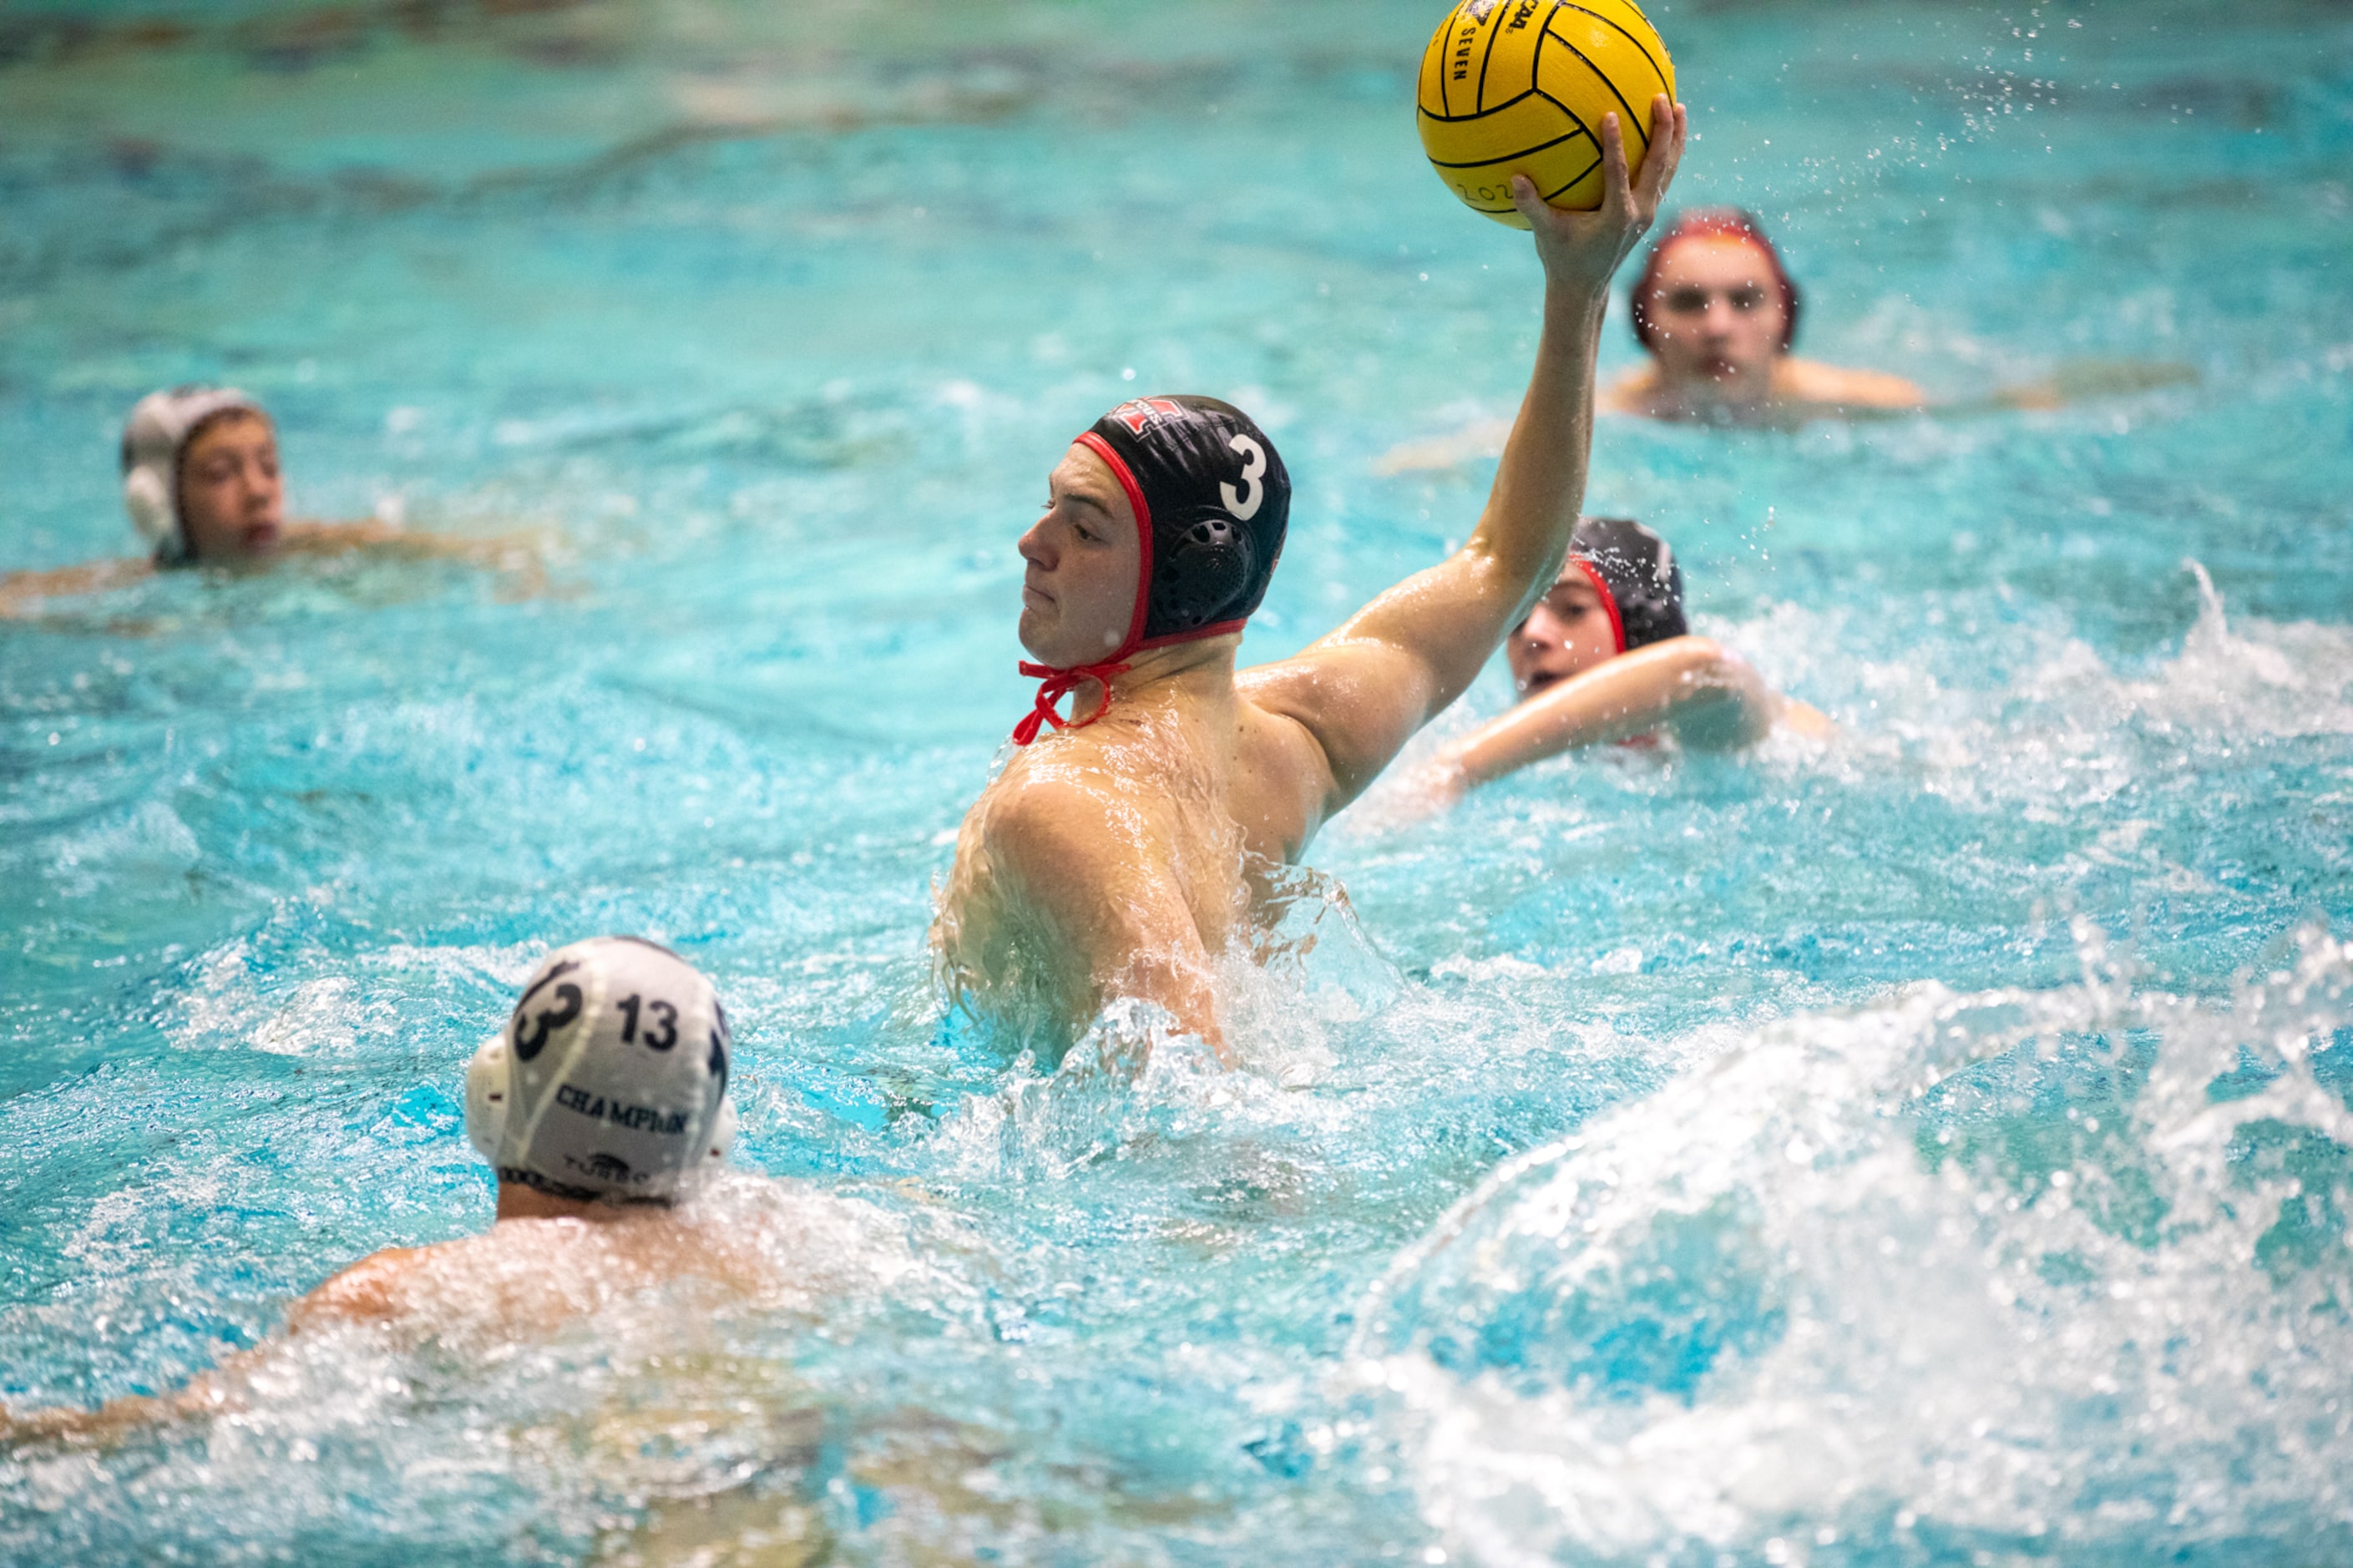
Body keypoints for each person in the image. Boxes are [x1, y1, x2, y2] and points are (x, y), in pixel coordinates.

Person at [934, 97, 1688, 1066]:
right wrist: (1576, 291)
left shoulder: (1068, 802)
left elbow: (1190, 1098)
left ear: (1181, 579)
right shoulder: (1298, 742)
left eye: (1083, 529)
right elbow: (1509, 562)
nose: (1031, 545)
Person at [0, 937, 757, 1446]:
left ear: (494, 1091)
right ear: (711, 1140)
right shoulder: (780, 1244)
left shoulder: (393, 1297)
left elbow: (195, 1429)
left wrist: (28, 1433)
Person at [0, 385, 541, 619]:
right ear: (157, 505)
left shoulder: (324, 547)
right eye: (220, 474)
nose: (259, 491)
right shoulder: (130, 592)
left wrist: (521, 571)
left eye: (269, 466)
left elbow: (487, 550)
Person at [1416, 514, 1829, 804]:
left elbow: (1706, 670)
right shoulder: (1543, 761)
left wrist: (1459, 769)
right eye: (1518, 618)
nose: (1533, 636)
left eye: (1572, 610)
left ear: (1640, 630)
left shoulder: (1702, 733)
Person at [1602, 206, 1925, 422]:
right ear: (1645, 323)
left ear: (1786, 318)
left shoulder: (1873, 404)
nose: (1718, 327)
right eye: (1688, 302)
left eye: (1745, 301)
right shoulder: (1608, 414)